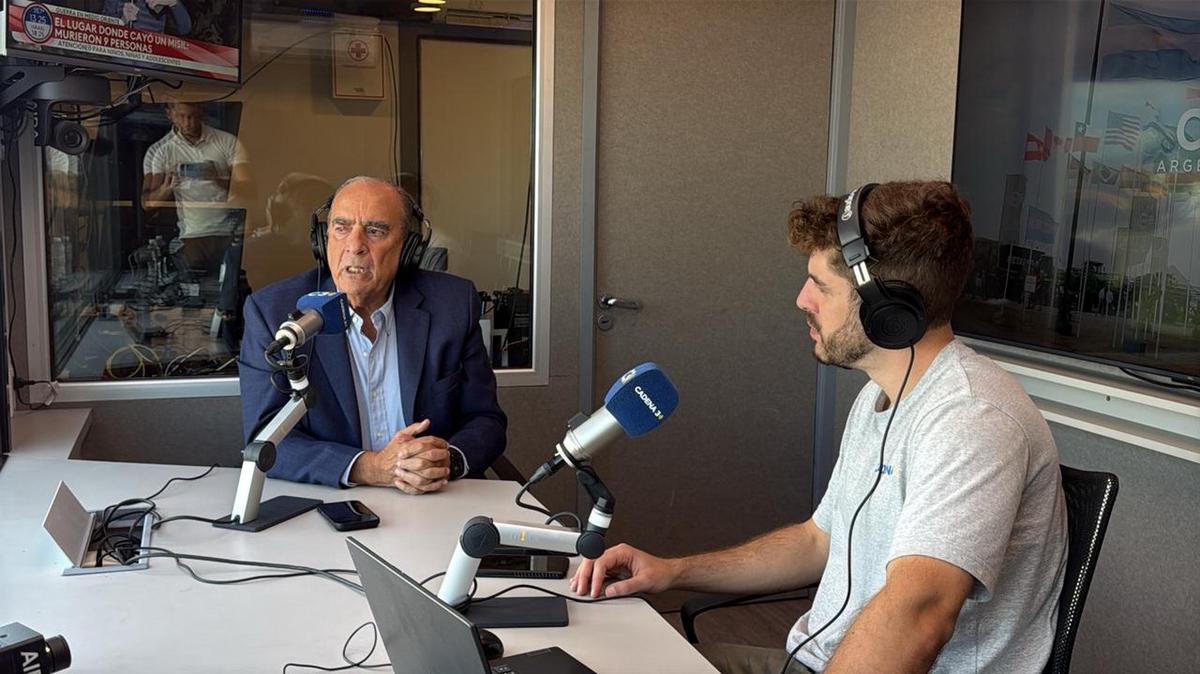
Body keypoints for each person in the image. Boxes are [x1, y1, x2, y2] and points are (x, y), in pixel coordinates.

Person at [571, 181, 1067, 674]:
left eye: (822, 286)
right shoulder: (880, 396)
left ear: (889, 309)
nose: (801, 300)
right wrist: (672, 571)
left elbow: (920, 613)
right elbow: (817, 541)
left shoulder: (972, 420)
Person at [238, 176, 507, 492]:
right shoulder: (274, 313)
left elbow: (486, 421)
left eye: (375, 231)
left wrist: (447, 460)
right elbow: (265, 440)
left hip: (433, 500)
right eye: (341, 228)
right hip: (330, 500)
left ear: (408, 248)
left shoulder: (451, 305)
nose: (354, 246)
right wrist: (370, 468)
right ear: (321, 239)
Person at [142, 102, 251, 278]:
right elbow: (148, 203)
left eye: (192, 116)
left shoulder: (226, 141)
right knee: (194, 287)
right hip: (192, 234)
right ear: (169, 114)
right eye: (181, 116)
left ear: (202, 111)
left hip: (230, 232)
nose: (188, 122)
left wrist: (217, 178)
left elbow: (249, 191)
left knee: (232, 286)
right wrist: (167, 187)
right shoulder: (161, 151)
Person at [102, 0, 192, 36]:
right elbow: (101, 31)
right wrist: (122, 20)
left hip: (152, 66)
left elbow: (184, 29)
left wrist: (173, 3)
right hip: (119, 63)